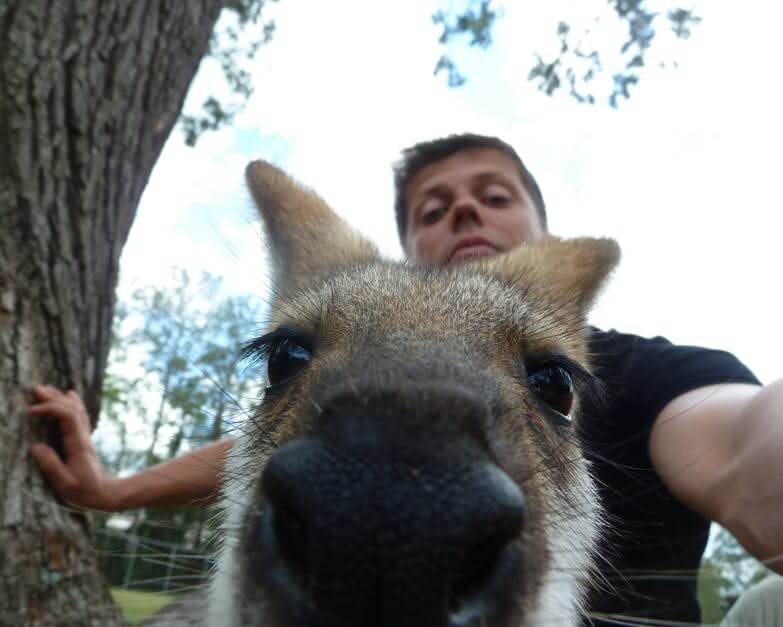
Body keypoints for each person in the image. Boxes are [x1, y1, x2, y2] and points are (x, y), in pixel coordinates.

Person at [27, 134, 783, 625]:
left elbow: (735, 439)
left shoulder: (644, 370)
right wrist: (112, 489)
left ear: (541, 233)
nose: (462, 209)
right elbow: (274, 440)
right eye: (435, 205)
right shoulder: (351, 329)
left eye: (492, 195)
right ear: (412, 238)